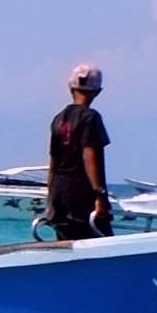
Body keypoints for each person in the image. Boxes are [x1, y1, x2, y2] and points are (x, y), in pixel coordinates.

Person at [44, 63, 114, 241]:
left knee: (68, 242)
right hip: (81, 195)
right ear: (98, 91)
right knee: (102, 243)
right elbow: (89, 155)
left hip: (60, 194)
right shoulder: (91, 118)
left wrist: (51, 198)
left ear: (70, 87)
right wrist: (100, 196)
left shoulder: (58, 119)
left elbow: (53, 161)